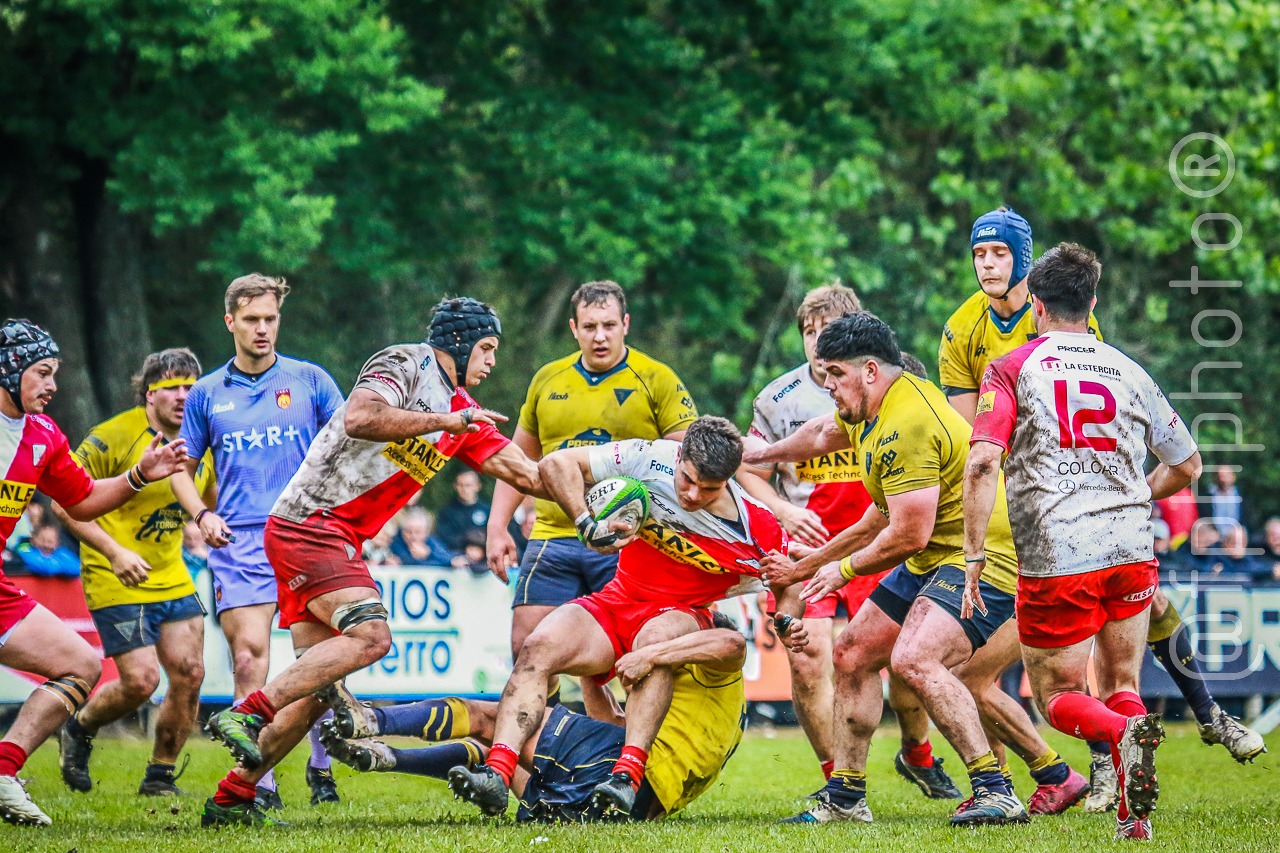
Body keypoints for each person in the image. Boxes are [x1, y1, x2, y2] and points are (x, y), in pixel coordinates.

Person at [197, 297, 545, 827]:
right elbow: (361, 417)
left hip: (323, 537)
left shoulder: (465, 414)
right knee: (372, 638)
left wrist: (599, 490)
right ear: (460, 341)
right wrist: (450, 419)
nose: (492, 361)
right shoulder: (405, 363)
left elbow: (529, 475)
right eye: (488, 348)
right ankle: (247, 711)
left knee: (317, 693)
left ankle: (231, 798)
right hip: (310, 525)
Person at [960, 241, 1207, 839]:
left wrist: (972, 558)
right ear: (1092, 303)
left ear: (1037, 307)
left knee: (1058, 696)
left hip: (1057, 554)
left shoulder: (1013, 367)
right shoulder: (1128, 369)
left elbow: (980, 464)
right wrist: (1136, 496)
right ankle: (1134, 821)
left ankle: (1122, 736)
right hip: (1131, 551)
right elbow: (1189, 466)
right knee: (1122, 683)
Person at [747, 312, 1030, 827]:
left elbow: (907, 534)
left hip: (980, 557)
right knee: (852, 653)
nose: (827, 386)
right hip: (934, 554)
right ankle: (846, 796)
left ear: (870, 370)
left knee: (915, 659)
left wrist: (843, 570)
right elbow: (819, 435)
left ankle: (997, 790)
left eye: (834, 374)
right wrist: (763, 453)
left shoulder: (906, 422)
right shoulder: (871, 406)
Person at [450, 417, 805, 821]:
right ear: (680, 455)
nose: (691, 494)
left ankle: (626, 777)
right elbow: (556, 465)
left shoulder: (755, 525)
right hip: (618, 600)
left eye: (708, 489)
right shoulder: (649, 457)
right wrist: (587, 523)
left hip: (682, 613)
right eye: (686, 479)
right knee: (537, 646)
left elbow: (789, 585)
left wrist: (787, 624)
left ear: (727, 480)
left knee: (653, 642)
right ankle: (497, 772)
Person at [737, 283, 958, 799]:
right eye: (809, 333)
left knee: (906, 661)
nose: (817, 346)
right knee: (809, 660)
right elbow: (755, 461)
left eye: (828, 334)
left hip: (883, 540)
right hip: (811, 544)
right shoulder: (777, 397)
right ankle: (837, 781)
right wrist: (784, 509)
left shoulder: (891, 391)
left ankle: (918, 754)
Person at [0, 318, 188, 826]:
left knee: (81, 665)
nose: (52, 385)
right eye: (42, 372)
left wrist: (138, 476)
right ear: (10, 368)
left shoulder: (42, 435)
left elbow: (82, 501)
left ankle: (3, 771)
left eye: (55, 373)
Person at [170, 273, 346, 808]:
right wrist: (201, 514)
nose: (263, 329)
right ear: (231, 323)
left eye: (270, 318)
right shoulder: (206, 393)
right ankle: (258, 782)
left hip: (305, 534)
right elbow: (181, 468)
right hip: (241, 542)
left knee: (315, 659)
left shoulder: (311, 380)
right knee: (249, 658)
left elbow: (347, 446)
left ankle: (321, 765)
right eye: (251, 320)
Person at [320, 612, 749, 822]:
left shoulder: (712, 665)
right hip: (627, 804)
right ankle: (387, 758)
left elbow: (731, 642)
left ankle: (372, 720)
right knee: (497, 751)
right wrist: (592, 672)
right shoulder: (716, 712)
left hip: (625, 776)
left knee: (494, 717)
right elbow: (619, 727)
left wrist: (651, 651)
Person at [485, 281, 699, 693]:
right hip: (555, 535)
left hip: (627, 539)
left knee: (629, 650)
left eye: (608, 325)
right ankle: (538, 746)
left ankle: (629, 743)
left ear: (626, 324)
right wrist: (498, 526)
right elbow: (517, 460)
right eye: (589, 326)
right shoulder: (548, 379)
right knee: (526, 645)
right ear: (573, 328)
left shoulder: (657, 378)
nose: (599, 336)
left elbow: (688, 453)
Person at [52, 349, 214, 798]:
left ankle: (159, 776)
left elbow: (214, 497)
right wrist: (114, 551)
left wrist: (211, 523)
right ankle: (80, 727)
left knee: (190, 672)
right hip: (113, 572)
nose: (184, 397)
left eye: (191, 388)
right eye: (172, 389)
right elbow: (63, 503)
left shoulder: (203, 439)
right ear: (148, 394)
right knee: (141, 682)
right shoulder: (111, 437)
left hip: (172, 572)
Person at [938, 207, 1101, 423]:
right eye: (979, 254)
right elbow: (967, 429)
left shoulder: (1063, 313)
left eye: (999, 252)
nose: (987, 263)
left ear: (1022, 256)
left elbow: (1087, 402)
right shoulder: (958, 328)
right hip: (994, 451)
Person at [436, 470, 489, 556]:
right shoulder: (447, 512)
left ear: (478, 486)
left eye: (468, 485)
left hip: (483, 557)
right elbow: (443, 537)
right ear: (455, 486)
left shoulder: (487, 510)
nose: (464, 489)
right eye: (461, 485)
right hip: (455, 557)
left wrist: (479, 548)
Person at [13, 521, 79, 577]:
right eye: (42, 540)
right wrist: (61, 566)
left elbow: (76, 567)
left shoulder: (61, 552)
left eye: (50, 541)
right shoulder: (24, 551)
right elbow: (45, 567)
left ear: (58, 543)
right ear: (32, 540)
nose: (46, 545)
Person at [1206, 467, 1245, 533]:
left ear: (1233, 477)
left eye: (1227, 475)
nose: (1223, 479)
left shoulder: (1243, 497)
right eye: (1221, 476)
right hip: (1214, 538)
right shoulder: (1208, 497)